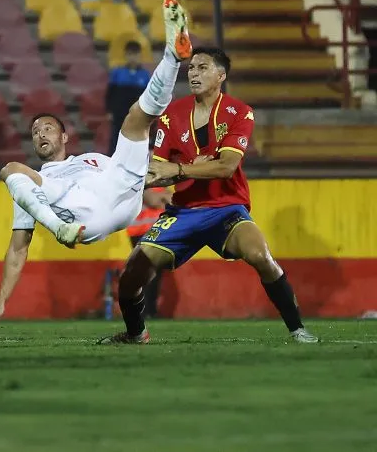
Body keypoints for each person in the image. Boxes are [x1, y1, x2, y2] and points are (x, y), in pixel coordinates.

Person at [0, 0, 192, 330]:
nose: (40, 133)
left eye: (47, 128)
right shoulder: (32, 183)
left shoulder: (92, 159)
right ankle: (58, 226)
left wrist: (163, 184)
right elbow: (19, 248)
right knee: (11, 170)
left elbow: (134, 178)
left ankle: (173, 58)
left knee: (136, 120)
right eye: (35, 131)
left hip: (118, 195)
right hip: (84, 217)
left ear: (64, 138)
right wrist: (1, 300)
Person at [103, 46, 319, 344]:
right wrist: (176, 170)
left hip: (227, 209)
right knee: (132, 273)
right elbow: (156, 166)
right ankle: (136, 333)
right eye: (191, 68)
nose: (193, 73)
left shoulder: (239, 112)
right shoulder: (171, 114)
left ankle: (298, 330)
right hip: (183, 211)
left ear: (221, 75)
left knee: (261, 256)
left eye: (202, 67)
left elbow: (226, 167)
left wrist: (180, 169)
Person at [126, 184, 171, 318]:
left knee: (155, 272)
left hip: (157, 230)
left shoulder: (161, 180)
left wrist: (162, 198)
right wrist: (162, 198)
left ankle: (150, 310)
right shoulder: (141, 181)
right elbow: (153, 201)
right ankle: (143, 310)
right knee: (145, 272)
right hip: (140, 232)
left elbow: (171, 199)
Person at [106, 41, 150, 153]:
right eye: (130, 54)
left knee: (135, 138)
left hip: (137, 113)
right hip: (119, 112)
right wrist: (109, 110)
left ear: (140, 55)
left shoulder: (145, 75)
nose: (133, 57)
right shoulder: (118, 72)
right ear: (126, 55)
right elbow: (110, 93)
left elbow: (147, 95)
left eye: (136, 54)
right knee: (116, 136)